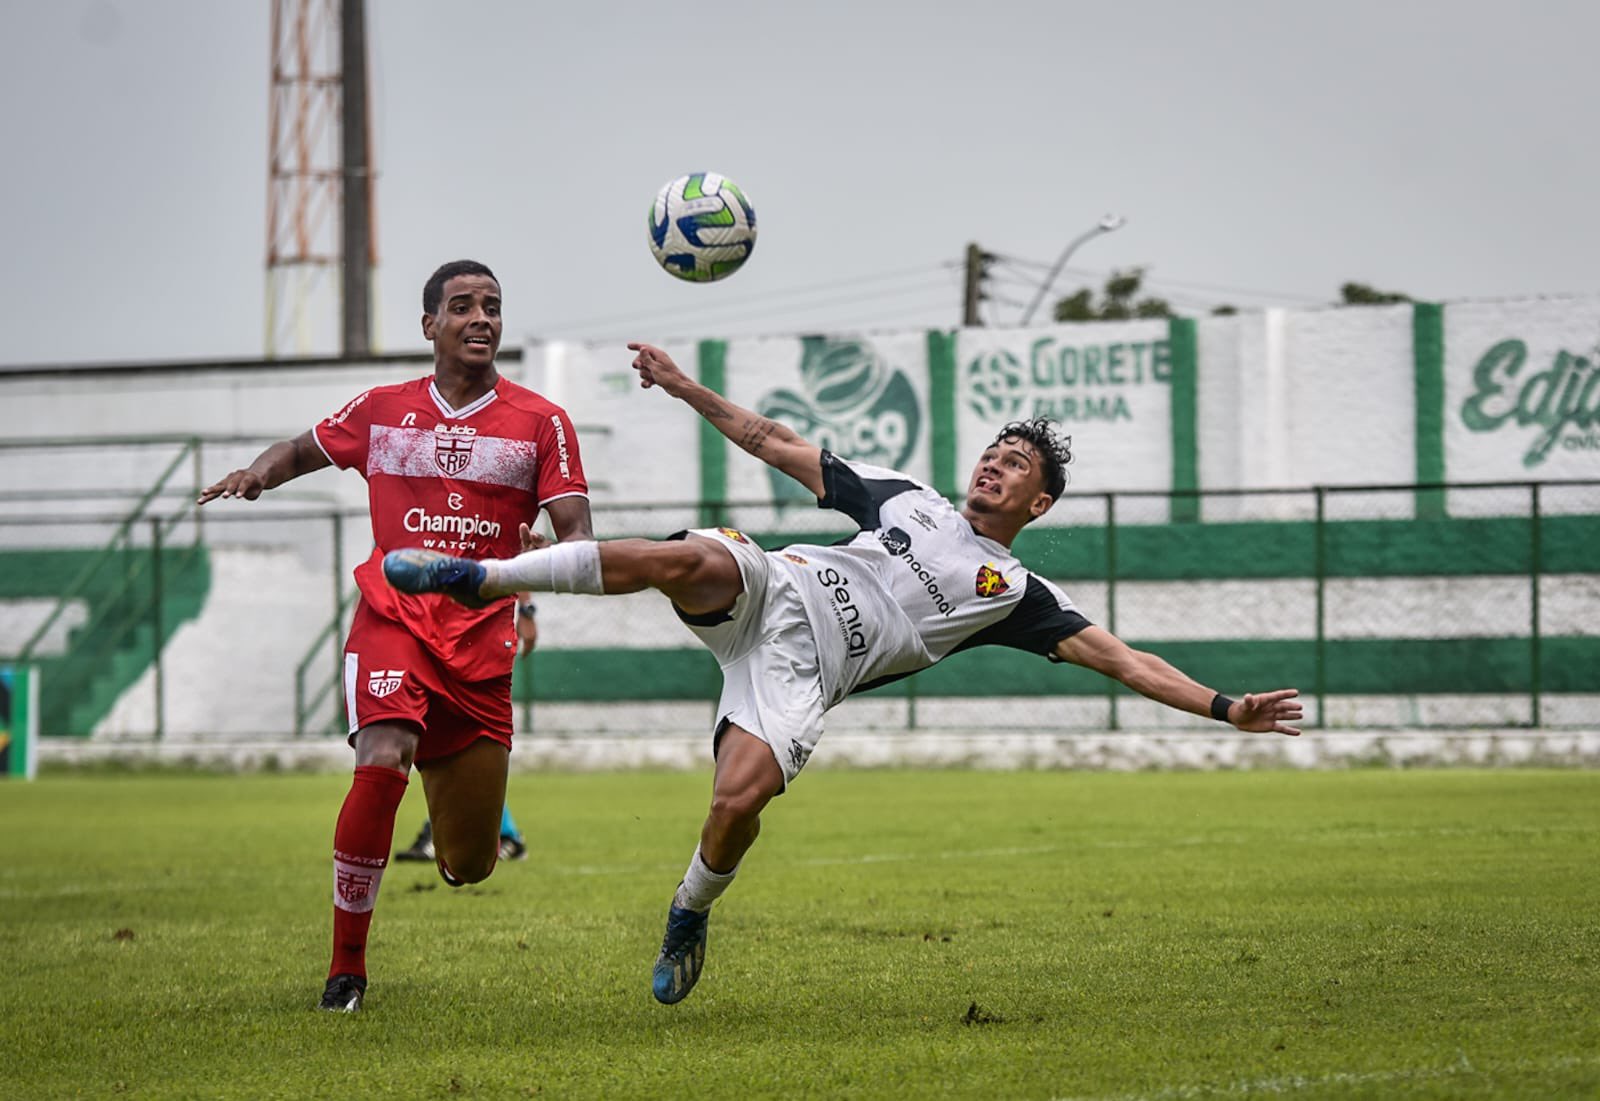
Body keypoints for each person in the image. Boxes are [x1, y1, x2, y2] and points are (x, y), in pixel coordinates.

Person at [383, 341, 1302, 1007]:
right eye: (993, 451)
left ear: (1039, 501)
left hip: (799, 678)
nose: (993, 463)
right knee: (686, 558)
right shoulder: (907, 495)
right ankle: (483, 579)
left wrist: (1226, 707)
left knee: (736, 804)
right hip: (772, 588)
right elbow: (776, 440)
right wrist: (682, 385)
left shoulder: (1018, 592)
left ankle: (686, 915)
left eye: (1015, 464)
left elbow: (1124, 657)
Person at [198, 260, 593, 1013]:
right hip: (395, 619)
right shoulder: (382, 410)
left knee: (471, 861)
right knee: (382, 754)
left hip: (481, 643)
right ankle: (347, 968)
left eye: (493, 307)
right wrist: (256, 472)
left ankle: (455, 852)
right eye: (463, 306)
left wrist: (536, 559)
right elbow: (301, 449)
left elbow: (578, 533)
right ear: (430, 326)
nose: (482, 319)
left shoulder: (542, 422)